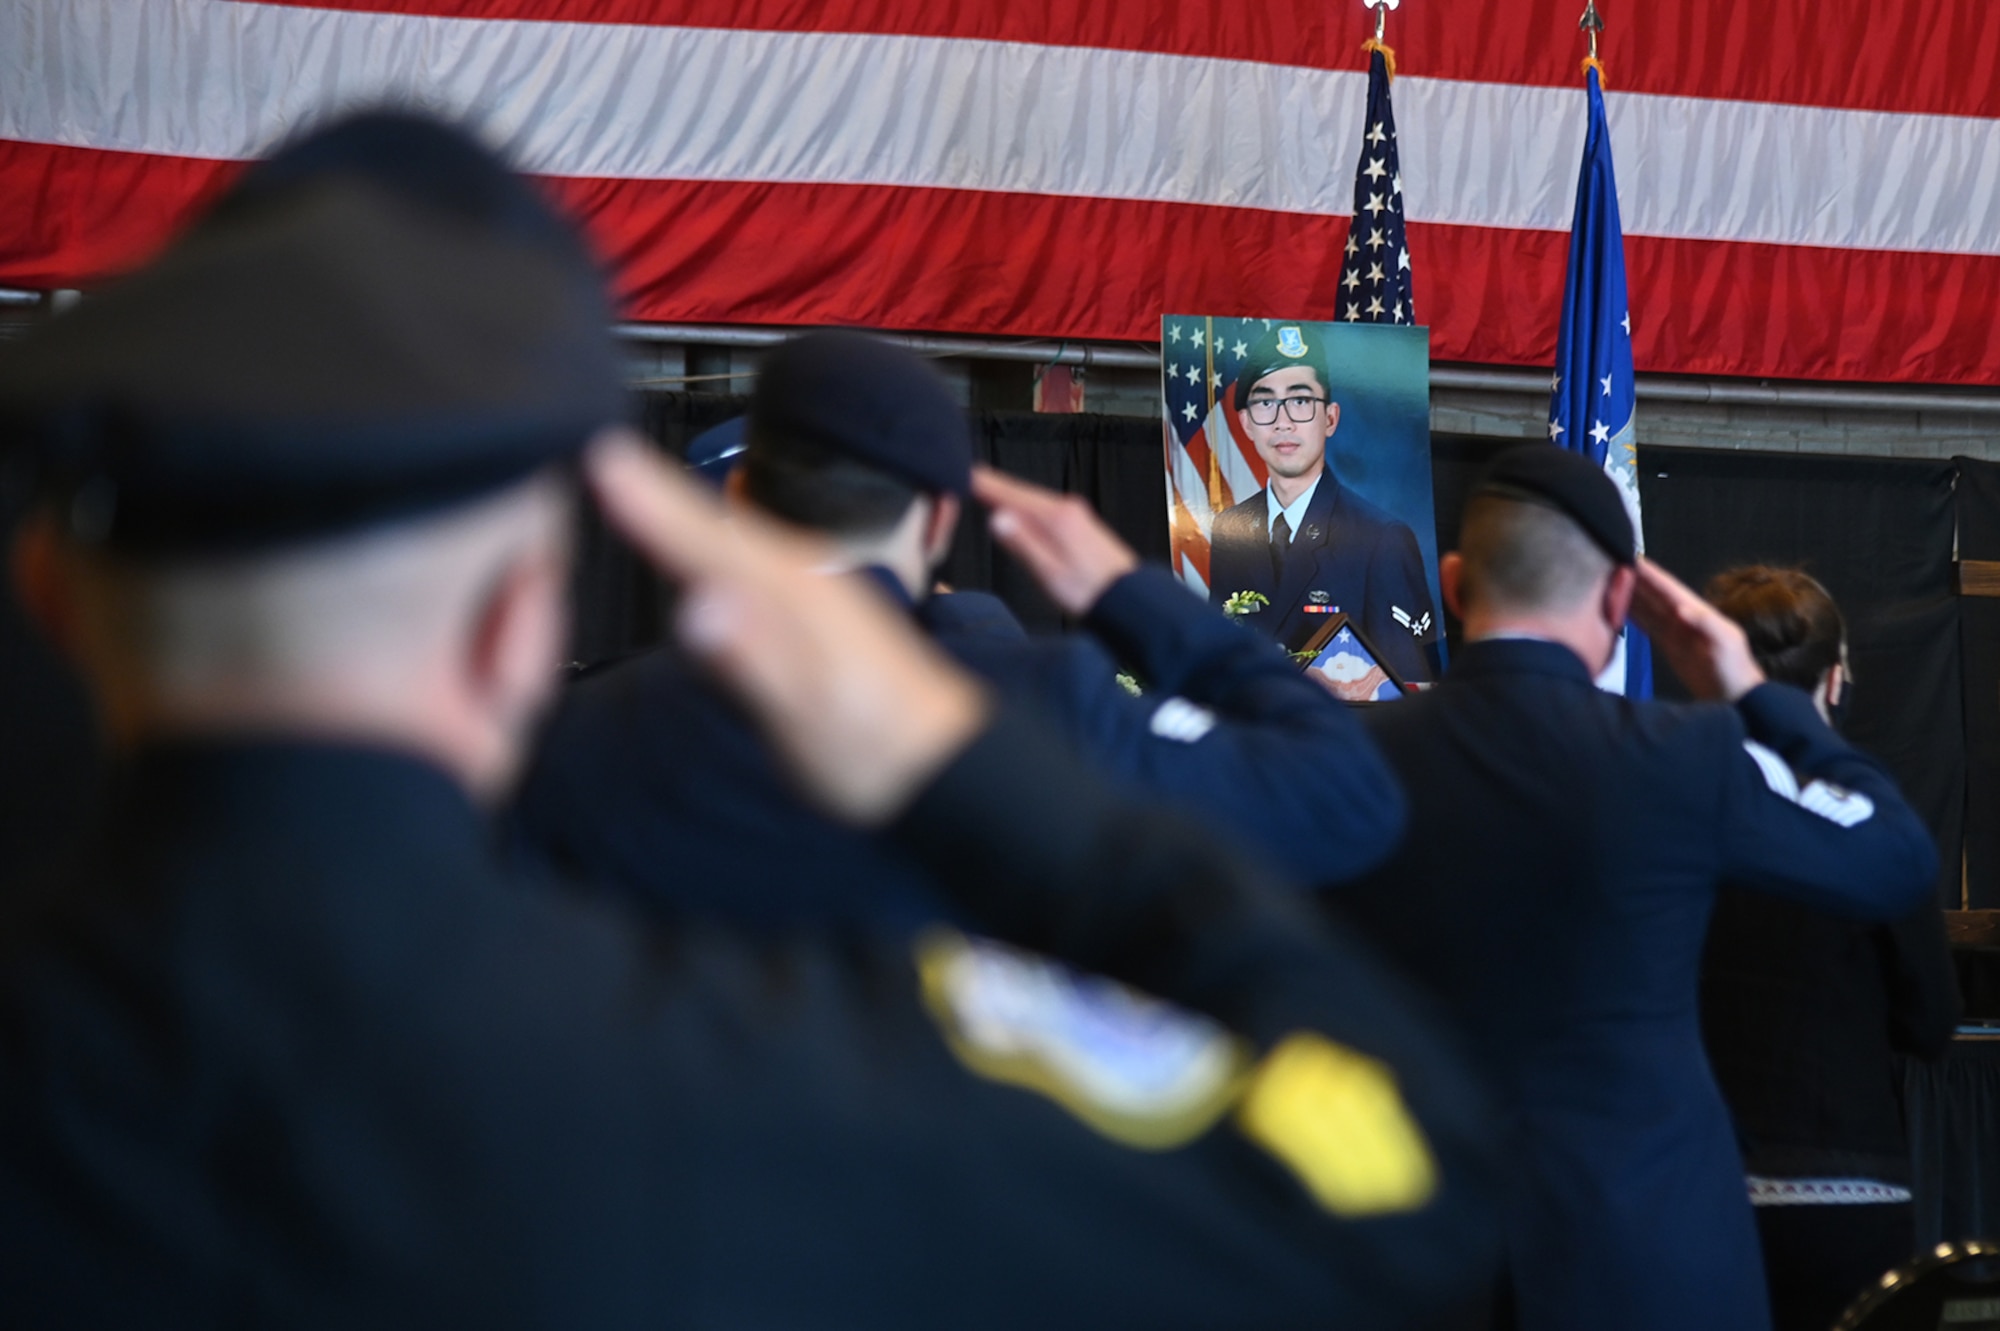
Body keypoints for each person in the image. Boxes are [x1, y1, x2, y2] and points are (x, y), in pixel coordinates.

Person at [0, 110, 1502, 1327]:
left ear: (53, 589)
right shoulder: (760, 1079)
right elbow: (1398, 1167)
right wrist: (956, 757)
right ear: (523, 620)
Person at [1317, 444, 1942, 1331]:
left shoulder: (1344, 754)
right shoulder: (1681, 757)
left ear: (1453, 584)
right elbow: (1894, 855)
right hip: (1643, 1257)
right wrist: (1749, 692)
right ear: (1621, 601)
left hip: (1409, 1253)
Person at [515, 329, 1409, 930]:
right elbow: (1345, 800)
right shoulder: (1051, 700)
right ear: (943, 520)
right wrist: (1126, 592)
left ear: (738, 499)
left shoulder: (588, 731)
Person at [1699, 565, 1961, 1331]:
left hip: (1702, 1191)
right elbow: (1932, 1021)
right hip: (1853, 1192)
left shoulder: (1668, 803)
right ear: (1837, 678)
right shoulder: (1880, 827)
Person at [1206, 321, 1437, 683]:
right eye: (1266, 403)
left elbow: (1405, 688)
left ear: (1330, 418)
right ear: (1247, 423)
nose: (1283, 422)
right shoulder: (1230, 529)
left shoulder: (1381, 540)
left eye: (1300, 401)